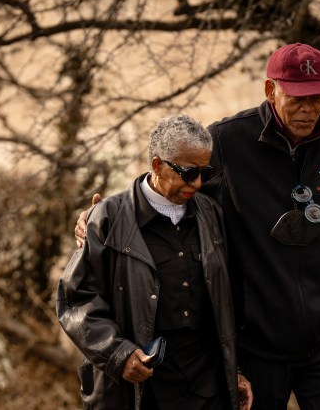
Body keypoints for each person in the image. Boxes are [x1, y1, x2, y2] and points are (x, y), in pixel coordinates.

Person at [75, 43, 320, 410]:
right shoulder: (228, 140)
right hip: (258, 343)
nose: (308, 109)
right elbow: (173, 180)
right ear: (270, 90)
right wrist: (108, 214)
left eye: (317, 98)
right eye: (297, 97)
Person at [57, 114, 253, 410]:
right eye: (188, 173)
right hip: (140, 389)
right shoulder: (108, 217)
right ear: (157, 165)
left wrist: (234, 369)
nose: (198, 183)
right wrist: (118, 354)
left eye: (205, 171)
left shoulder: (211, 214)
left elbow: (230, 300)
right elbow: (76, 299)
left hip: (206, 384)